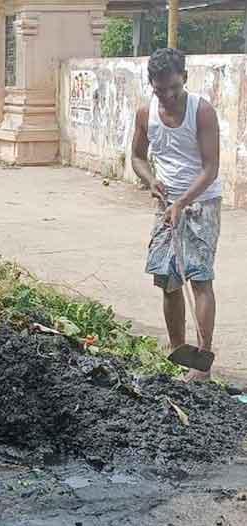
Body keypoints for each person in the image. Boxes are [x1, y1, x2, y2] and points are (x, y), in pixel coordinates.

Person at [131, 48, 222, 381]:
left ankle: (202, 363)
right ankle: (178, 351)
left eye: (174, 88)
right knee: (168, 280)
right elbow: (137, 157)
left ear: (184, 77)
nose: (167, 96)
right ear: (151, 84)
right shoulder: (146, 114)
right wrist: (151, 179)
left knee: (199, 278)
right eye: (160, 90)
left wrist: (182, 203)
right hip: (166, 205)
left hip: (201, 203)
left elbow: (211, 168)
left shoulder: (202, 112)